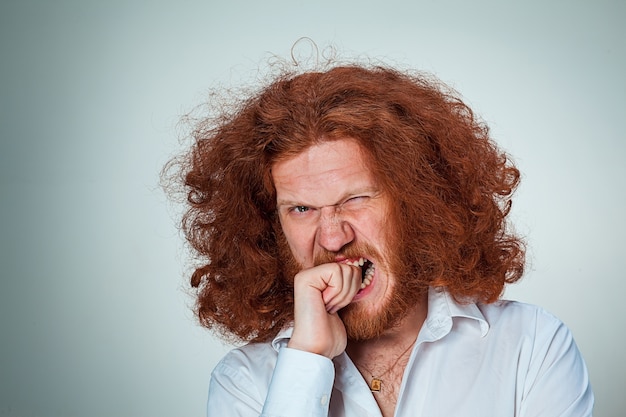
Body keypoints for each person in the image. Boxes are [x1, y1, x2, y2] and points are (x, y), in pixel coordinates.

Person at [166, 63, 593, 416]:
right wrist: (308, 360)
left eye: (355, 199)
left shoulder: (530, 345)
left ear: (417, 204)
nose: (332, 237)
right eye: (301, 209)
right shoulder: (245, 381)